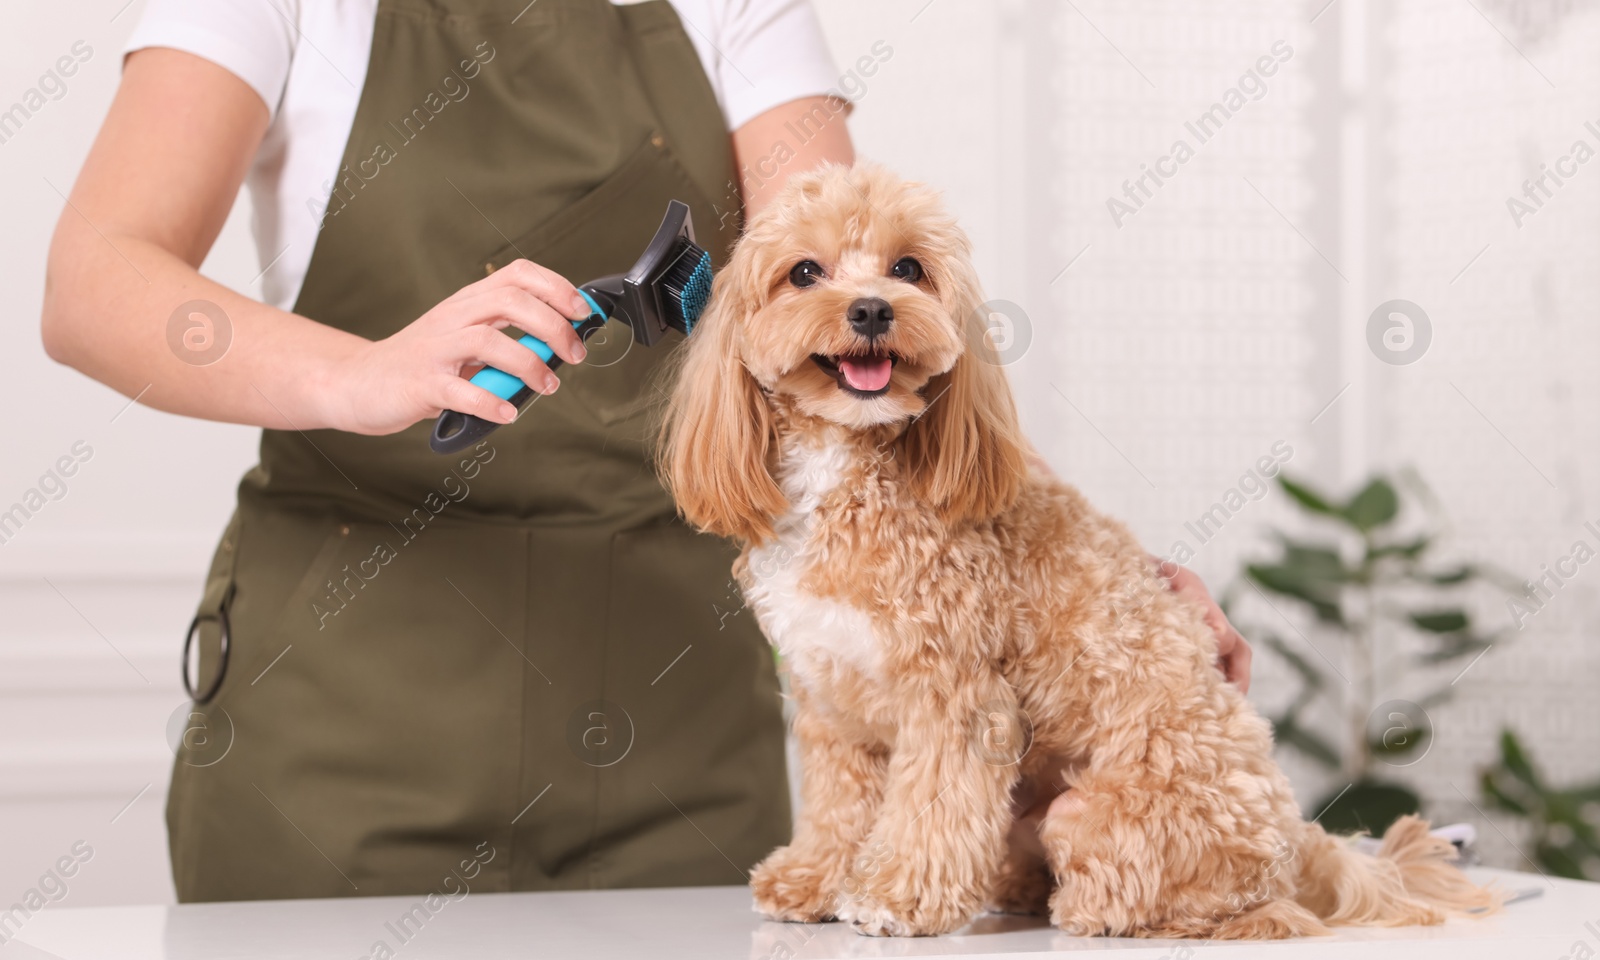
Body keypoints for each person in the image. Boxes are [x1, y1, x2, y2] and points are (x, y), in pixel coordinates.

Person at [42, 0, 1249, 902]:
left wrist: (1091, 582)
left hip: (678, 729)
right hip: (348, 719)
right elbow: (94, 278)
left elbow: (859, 328)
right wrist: (357, 373)